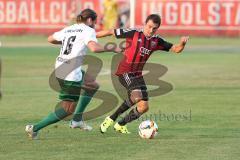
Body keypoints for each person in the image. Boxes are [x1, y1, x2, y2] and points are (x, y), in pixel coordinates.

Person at [25, 9, 122, 139]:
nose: (95, 25)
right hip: (70, 74)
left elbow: (50, 39)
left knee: (92, 85)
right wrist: (112, 48)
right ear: (89, 20)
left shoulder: (69, 29)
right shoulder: (88, 30)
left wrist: (67, 42)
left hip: (61, 67)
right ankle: (35, 128)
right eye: (94, 21)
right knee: (67, 109)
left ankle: (77, 120)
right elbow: (94, 48)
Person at [97, 14, 189, 134]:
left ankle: (120, 124)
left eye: (154, 28)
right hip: (125, 71)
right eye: (149, 26)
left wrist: (182, 43)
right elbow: (110, 32)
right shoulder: (134, 32)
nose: (151, 30)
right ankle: (110, 119)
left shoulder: (157, 41)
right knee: (137, 97)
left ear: (158, 28)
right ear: (145, 24)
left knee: (143, 107)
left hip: (137, 74)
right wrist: (91, 36)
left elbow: (176, 49)